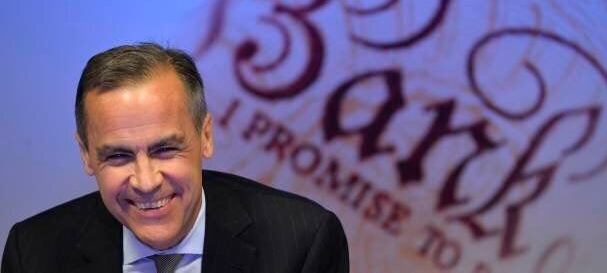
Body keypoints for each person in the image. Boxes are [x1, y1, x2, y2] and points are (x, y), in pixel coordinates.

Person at [1, 43, 349, 273]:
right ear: (86, 156)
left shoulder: (301, 243)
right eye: (119, 156)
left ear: (206, 137)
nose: (147, 181)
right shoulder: (33, 253)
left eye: (164, 149)